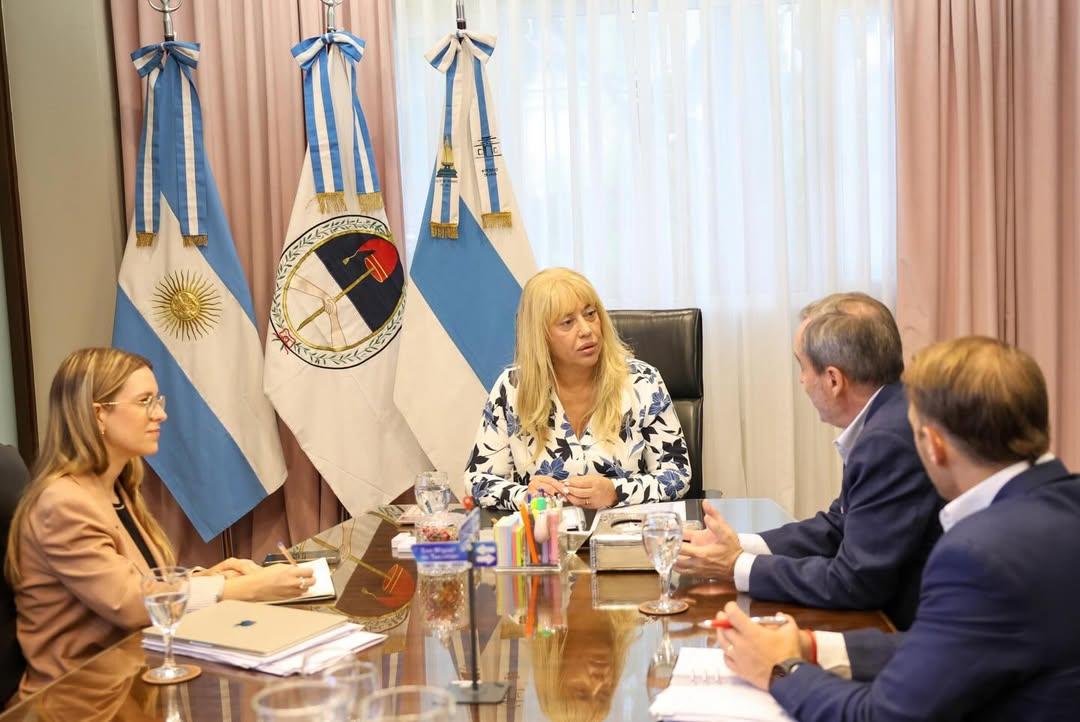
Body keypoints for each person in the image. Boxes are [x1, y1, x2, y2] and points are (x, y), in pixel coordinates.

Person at [714, 336, 1080, 721]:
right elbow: (945, 648)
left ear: (934, 446)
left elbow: (881, 716)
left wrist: (781, 669)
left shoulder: (977, 555)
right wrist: (811, 646)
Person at [4, 348, 314, 696]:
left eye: (158, 400)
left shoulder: (117, 487)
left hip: (133, 677)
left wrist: (210, 577)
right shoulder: (62, 504)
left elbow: (143, 580)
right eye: (145, 402)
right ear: (98, 414)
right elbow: (129, 602)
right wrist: (245, 589)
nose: (161, 414)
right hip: (79, 698)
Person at [675, 293, 941, 629]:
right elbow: (838, 525)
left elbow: (854, 582)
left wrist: (736, 565)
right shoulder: (891, 413)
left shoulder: (887, 441)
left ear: (833, 380)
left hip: (904, 631)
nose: (801, 380)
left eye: (802, 366)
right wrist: (737, 546)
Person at [465, 267, 691, 510]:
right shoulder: (512, 388)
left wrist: (616, 492)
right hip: (547, 529)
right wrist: (525, 496)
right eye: (567, 322)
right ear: (540, 335)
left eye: (591, 314)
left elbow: (677, 474)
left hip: (625, 528)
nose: (586, 330)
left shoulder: (641, 381)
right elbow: (478, 480)